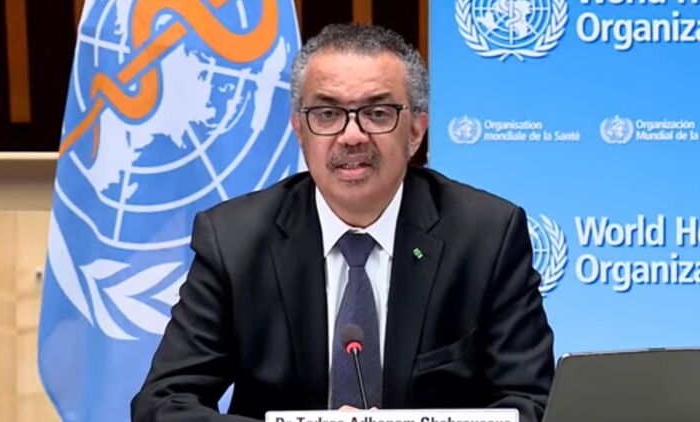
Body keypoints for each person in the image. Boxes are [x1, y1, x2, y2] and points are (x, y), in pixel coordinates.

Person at [131, 24, 554, 422]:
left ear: (416, 131)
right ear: (300, 129)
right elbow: (163, 403)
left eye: (377, 113)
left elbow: (532, 403)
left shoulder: (486, 237)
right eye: (327, 114)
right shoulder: (234, 241)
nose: (352, 136)